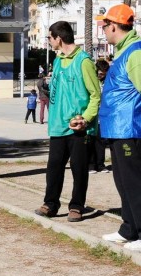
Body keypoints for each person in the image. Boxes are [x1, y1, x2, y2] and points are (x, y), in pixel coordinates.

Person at [34, 21, 101, 222]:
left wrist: (86, 119)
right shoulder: (57, 60)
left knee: (79, 168)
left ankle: (77, 206)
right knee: (54, 166)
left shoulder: (84, 61)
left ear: (59, 38)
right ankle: (51, 203)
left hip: (78, 128)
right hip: (57, 126)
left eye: (49, 38)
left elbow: (96, 95)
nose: (48, 41)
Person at [98, 4, 141, 250]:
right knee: (123, 181)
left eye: (104, 26)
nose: (103, 31)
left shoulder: (135, 53)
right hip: (117, 129)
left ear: (113, 26)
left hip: (130, 129)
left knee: (134, 181)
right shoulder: (124, 52)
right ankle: (129, 229)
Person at [88, 59, 110, 174]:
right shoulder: (92, 80)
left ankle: (100, 165)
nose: (101, 76)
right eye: (100, 73)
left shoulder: (107, 82)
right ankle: (91, 165)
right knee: (91, 141)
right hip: (92, 115)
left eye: (103, 74)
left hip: (103, 117)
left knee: (101, 142)